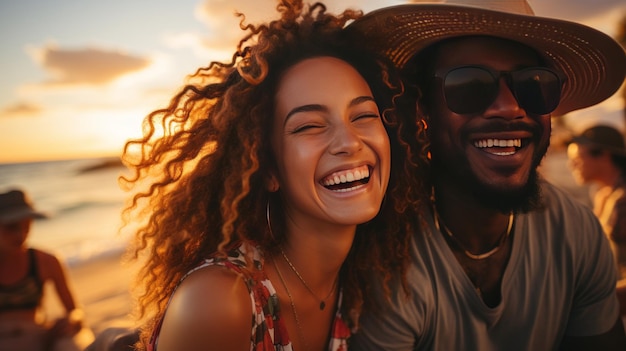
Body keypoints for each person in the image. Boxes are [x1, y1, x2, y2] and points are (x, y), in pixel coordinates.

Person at [119, 0, 428, 350]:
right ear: (267, 169)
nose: (348, 142)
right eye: (310, 125)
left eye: (363, 116)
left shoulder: (365, 280)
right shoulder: (221, 301)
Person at [343, 0, 626, 349]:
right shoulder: (387, 258)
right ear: (422, 108)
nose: (510, 107)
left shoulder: (576, 233)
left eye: (534, 84)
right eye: (469, 85)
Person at [0, 189, 93, 351]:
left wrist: (71, 320)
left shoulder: (46, 261)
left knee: (76, 340)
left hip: (37, 337)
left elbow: (76, 311)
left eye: (26, 225)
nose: (20, 234)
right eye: (11, 227)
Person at [567, 124, 626, 320]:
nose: (571, 165)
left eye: (576, 158)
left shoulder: (622, 203)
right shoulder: (603, 195)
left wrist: (580, 311)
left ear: (603, 155)